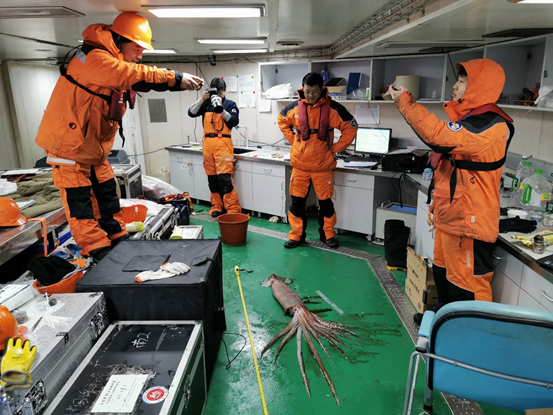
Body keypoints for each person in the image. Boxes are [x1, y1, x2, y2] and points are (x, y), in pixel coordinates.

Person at [35, 12, 204, 261]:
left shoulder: (108, 62)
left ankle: (117, 237)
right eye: (137, 48)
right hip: (68, 148)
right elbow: (130, 74)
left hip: (92, 149)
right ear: (120, 40)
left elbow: (129, 77)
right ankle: (98, 250)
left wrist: (175, 81)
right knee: (81, 205)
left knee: (107, 194)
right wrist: (175, 79)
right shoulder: (94, 59)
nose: (140, 55)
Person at [388, 59, 515, 322]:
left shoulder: (489, 126)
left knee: (466, 288)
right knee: (443, 274)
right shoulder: (471, 121)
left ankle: (468, 335)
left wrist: (405, 101)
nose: (455, 86)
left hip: (469, 224)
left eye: (462, 81)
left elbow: (437, 135)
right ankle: (441, 321)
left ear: (480, 86)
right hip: (451, 218)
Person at [278, 72, 358, 249]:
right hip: (300, 166)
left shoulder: (333, 109)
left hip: (323, 167)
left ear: (322, 89)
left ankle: (328, 235)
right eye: (307, 91)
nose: (310, 95)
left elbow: (351, 127)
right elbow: (282, 120)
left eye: (314, 92)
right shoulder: (294, 107)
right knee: (297, 204)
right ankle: (296, 236)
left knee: (326, 204)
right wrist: (294, 141)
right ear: (303, 89)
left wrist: (335, 148)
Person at [188, 78, 241, 217]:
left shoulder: (230, 104)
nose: (218, 96)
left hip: (223, 144)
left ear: (225, 91)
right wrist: (201, 99)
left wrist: (220, 108)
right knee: (212, 179)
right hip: (208, 144)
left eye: (220, 93)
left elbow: (234, 121)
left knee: (225, 179)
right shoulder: (205, 104)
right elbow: (191, 112)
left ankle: (232, 208)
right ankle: (216, 206)